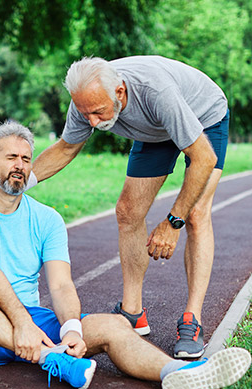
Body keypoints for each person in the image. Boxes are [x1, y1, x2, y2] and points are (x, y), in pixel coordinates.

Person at [0, 120, 251, 389]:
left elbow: (60, 284)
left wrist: (70, 329)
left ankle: (177, 373)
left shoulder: (48, 219)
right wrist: (22, 325)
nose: (20, 165)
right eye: (11, 157)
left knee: (114, 324)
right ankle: (49, 359)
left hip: (33, 326)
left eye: (26, 159)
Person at [26, 56, 230, 359]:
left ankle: (192, 319)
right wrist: (17, 183)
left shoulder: (155, 92)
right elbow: (66, 147)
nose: (92, 122)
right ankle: (133, 312)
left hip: (203, 119)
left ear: (120, 92)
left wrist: (174, 221)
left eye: (98, 112)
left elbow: (204, 159)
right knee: (128, 211)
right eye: (86, 113)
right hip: (154, 131)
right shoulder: (86, 100)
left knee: (196, 215)